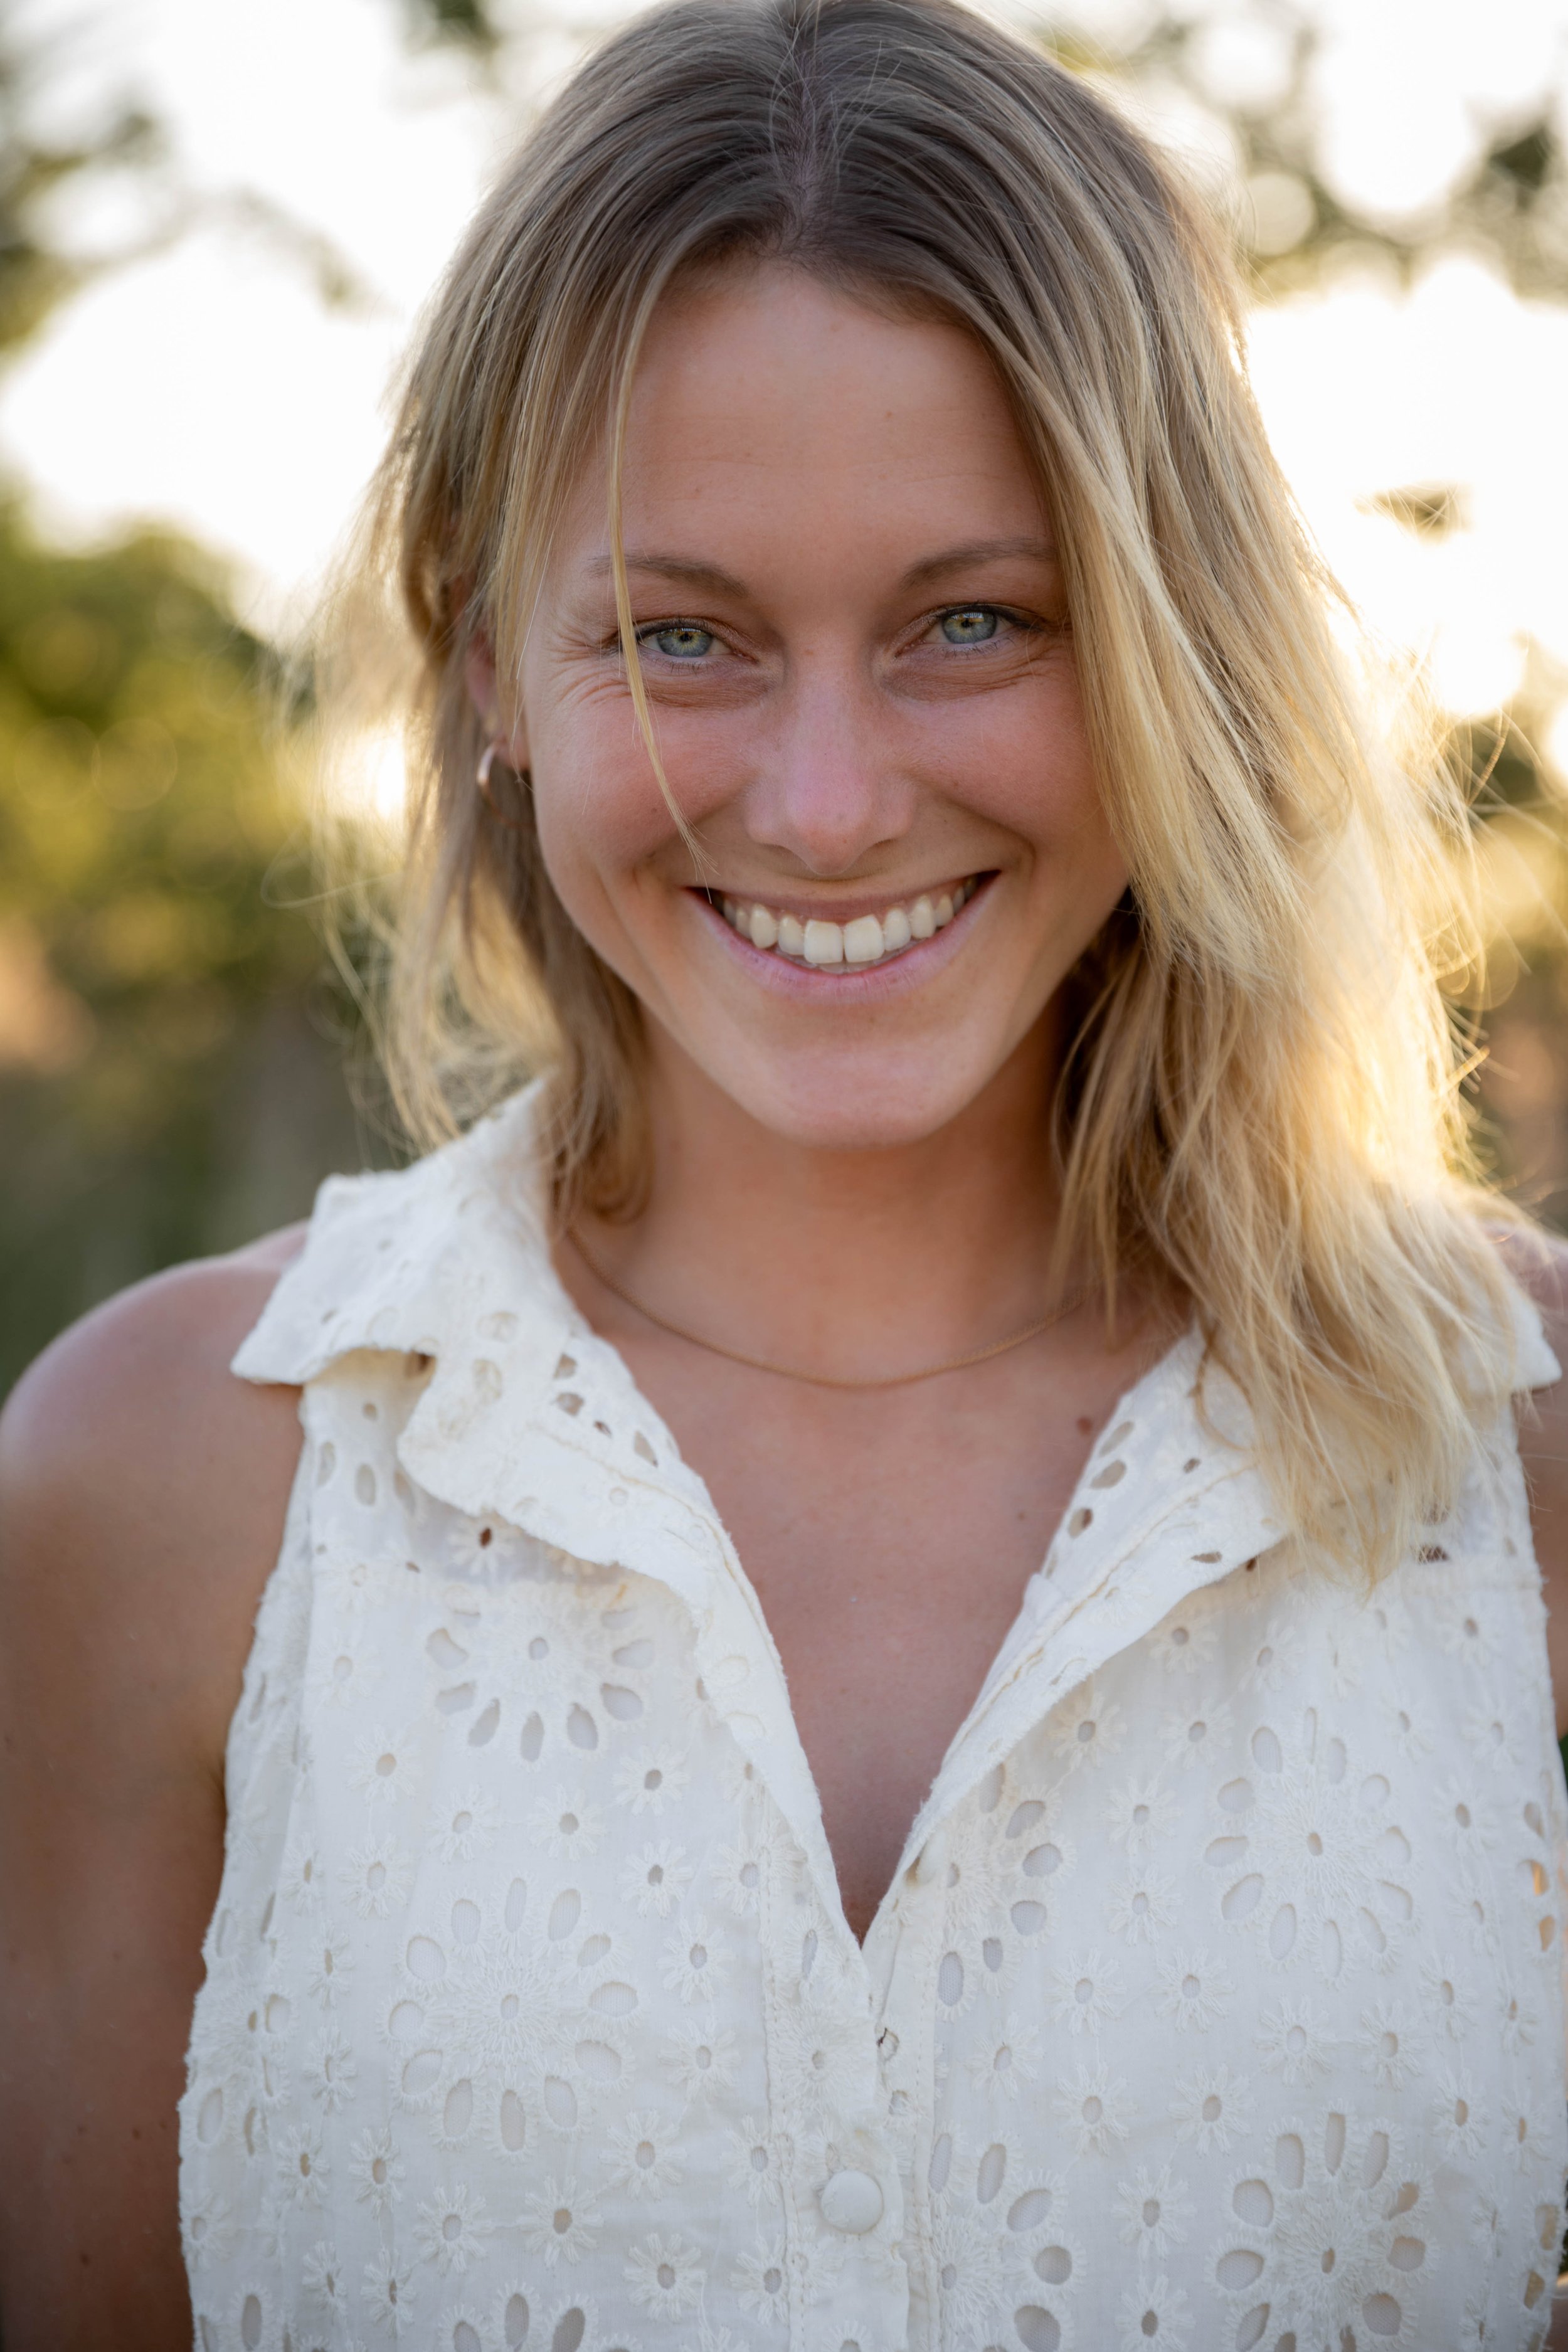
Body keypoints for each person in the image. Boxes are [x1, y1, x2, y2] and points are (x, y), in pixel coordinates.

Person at [4, 0, 1568, 2343]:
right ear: (486, 666)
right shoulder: (154, 1490)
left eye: (974, 622)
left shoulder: (1527, 1457)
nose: (826, 805)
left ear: (1176, 646)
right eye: (679, 638)